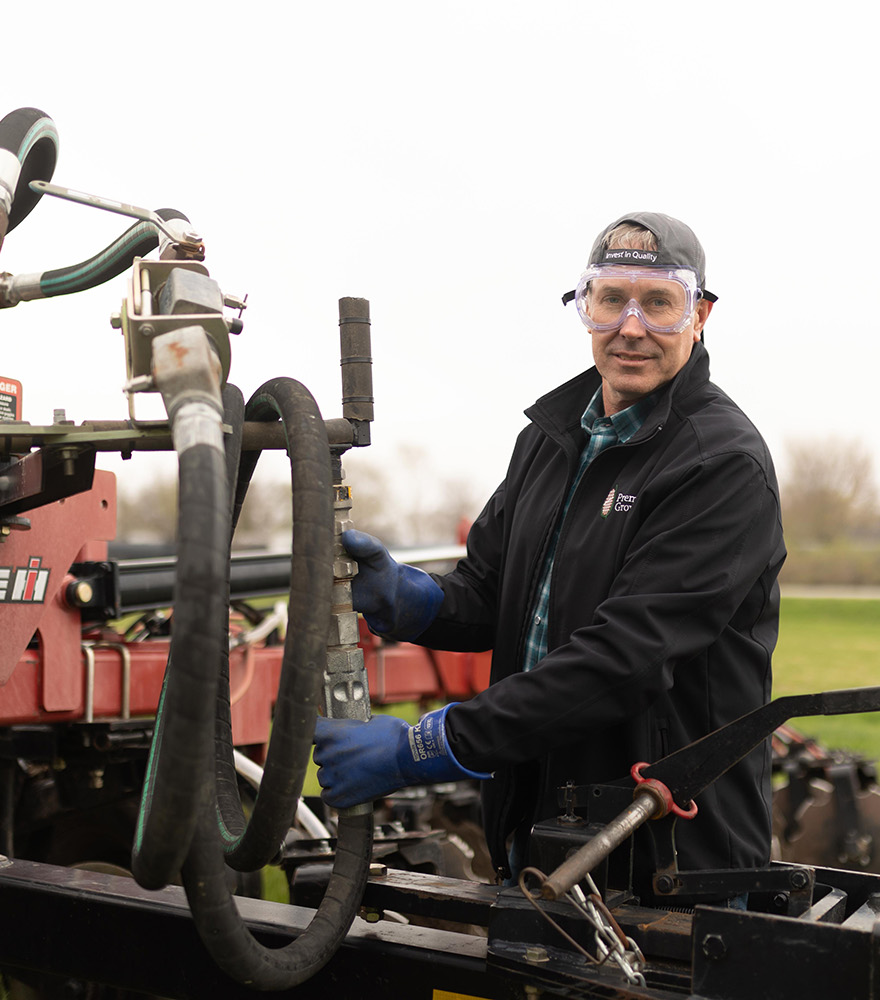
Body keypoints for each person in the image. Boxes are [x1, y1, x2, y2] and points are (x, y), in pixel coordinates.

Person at [313, 211, 785, 895]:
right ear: (584, 308)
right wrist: (415, 598)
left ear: (700, 315)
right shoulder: (552, 439)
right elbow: (493, 592)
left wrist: (429, 745)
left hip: (667, 857)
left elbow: (623, 660)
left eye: (660, 303)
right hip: (539, 826)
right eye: (610, 299)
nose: (631, 327)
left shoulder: (720, 464)